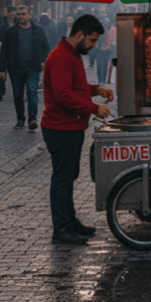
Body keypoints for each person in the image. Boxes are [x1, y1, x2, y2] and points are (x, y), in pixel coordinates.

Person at [42, 15, 114, 245]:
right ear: (80, 34)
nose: (94, 46)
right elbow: (63, 95)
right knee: (62, 179)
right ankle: (61, 229)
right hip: (60, 127)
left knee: (68, 176)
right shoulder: (62, 56)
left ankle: (70, 222)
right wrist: (94, 108)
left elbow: (75, 87)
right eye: (92, 41)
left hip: (70, 127)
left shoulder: (71, 54)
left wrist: (97, 89)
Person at [0, 6, 51, 130]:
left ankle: (32, 119)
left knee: (32, 93)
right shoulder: (11, 32)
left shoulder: (38, 30)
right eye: (19, 14)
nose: (21, 16)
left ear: (30, 14)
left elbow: (46, 47)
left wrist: (43, 61)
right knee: (18, 95)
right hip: (15, 69)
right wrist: (1, 69)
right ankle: (20, 118)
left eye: (23, 14)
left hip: (33, 67)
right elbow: (4, 50)